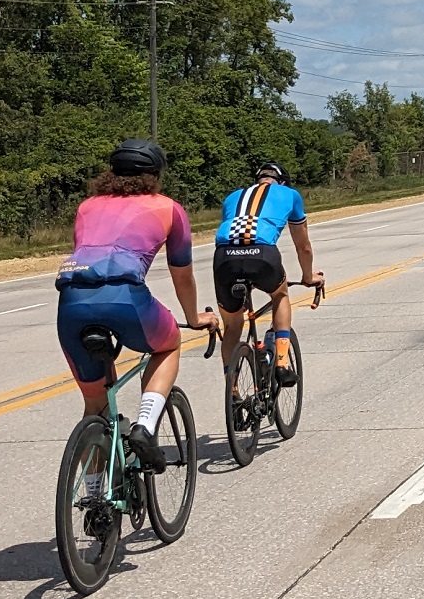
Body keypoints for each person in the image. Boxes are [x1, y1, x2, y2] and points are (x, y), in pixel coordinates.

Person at [55, 141, 213, 471]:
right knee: (168, 345)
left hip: (71, 300)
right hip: (125, 298)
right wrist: (193, 318)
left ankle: (96, 500)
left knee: (95, 407)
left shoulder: (86, 206)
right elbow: (181, 275)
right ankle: (145, 425)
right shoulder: (169, 208)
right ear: (155, 175)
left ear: (111, 173)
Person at [212, 159, 324, 386]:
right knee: (280, 296)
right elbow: (303, 246)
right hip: (262, 254)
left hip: (223, 257)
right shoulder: (290, 194)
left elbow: (237, 234)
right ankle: (282, 363)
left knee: (233, 325)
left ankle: (232, 390)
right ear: (283, 182)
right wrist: (307, 276)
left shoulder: (232, 197)